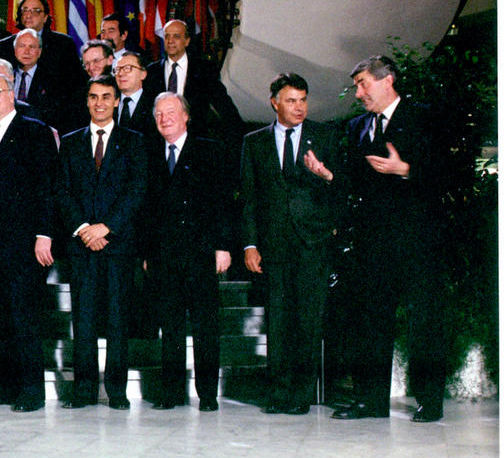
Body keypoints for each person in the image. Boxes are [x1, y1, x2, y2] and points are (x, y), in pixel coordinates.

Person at [333, 55, 446, 423]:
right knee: (371, 322)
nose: (359, 93)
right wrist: (328, 176)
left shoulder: (425, 116)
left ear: (388, 81)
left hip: (417, 242)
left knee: (423, 322)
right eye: (357, 86)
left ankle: (430, 401)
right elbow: (352, 181)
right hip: (373, 244)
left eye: (364, 83)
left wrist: (407, 169)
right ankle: (371, 401)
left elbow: (449, 172)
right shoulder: (356, 127)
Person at [240, 73, 343, 415]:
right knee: (279, 321)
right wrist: (250, 245)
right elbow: (249, 198)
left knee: (307, 321)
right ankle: (278, 392)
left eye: (303, 100)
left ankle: (301, 394)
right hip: (273, 246)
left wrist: (325, 178)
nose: (299, 107)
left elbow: (341, 189)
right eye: (291, 101)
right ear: (275, 103)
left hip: (312, 243)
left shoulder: (325, 136)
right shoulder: (254, 142)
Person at [0, 73, 57, 413]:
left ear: (12, 95)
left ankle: (32, 391)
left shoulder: (34, 132)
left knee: (24, 319)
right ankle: (6, 386)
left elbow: (47, 188)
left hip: (24, 246)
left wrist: (45, 234)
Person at [55, 76, 146, 410]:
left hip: (118, 245)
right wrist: (83, 229)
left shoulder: (134, 141)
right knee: (84, 320)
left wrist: (105, 228)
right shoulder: (70, 142)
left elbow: (136, 191)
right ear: (87, 101)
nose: (100, 103)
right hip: (82, 246)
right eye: (93, 97)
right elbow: (62, 191)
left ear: (117, 102)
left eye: (107, 97)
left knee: (118, 318)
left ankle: (117, 390)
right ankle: (84, 389)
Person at [142, 92, 233, 412]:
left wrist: (223, 246)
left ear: (186, 116)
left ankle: (207, 394)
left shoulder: (210, 150)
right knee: (170, 327)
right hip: (163, 255)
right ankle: (171, 392)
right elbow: (146, 208)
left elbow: (223, 202)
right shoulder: (149, 152)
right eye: (158, 114)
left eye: (170, 112)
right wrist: (146, 251)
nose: (164, 119)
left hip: (201, 252)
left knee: (205, 326)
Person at [145, 19, 243, 153]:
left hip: (195, 144)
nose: (170, 41)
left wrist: (239, 140)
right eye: (167, 36)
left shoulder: (204, 70)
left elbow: (224, 106)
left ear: (187, 41)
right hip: (159, 145)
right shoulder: (151, 72)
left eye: (176, 36)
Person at [0, 0, 84, 93]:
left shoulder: (63, 44)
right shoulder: (4, 46)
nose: (28, 15)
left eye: (36, 11)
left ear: (45, 17)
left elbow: (75, 84)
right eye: (25, 10)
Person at [12, 28, 80, 134]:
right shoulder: (6, 76)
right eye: (22, 46)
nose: (27, 51)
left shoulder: (54, 79)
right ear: (15, 50)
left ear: (39, 52)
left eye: (32, 47)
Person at [113, 52, 156, 136]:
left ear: (143, 74)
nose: (121, 74)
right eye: (117, 69)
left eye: (127, 68)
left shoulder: (155, 104)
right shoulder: (109, 103)